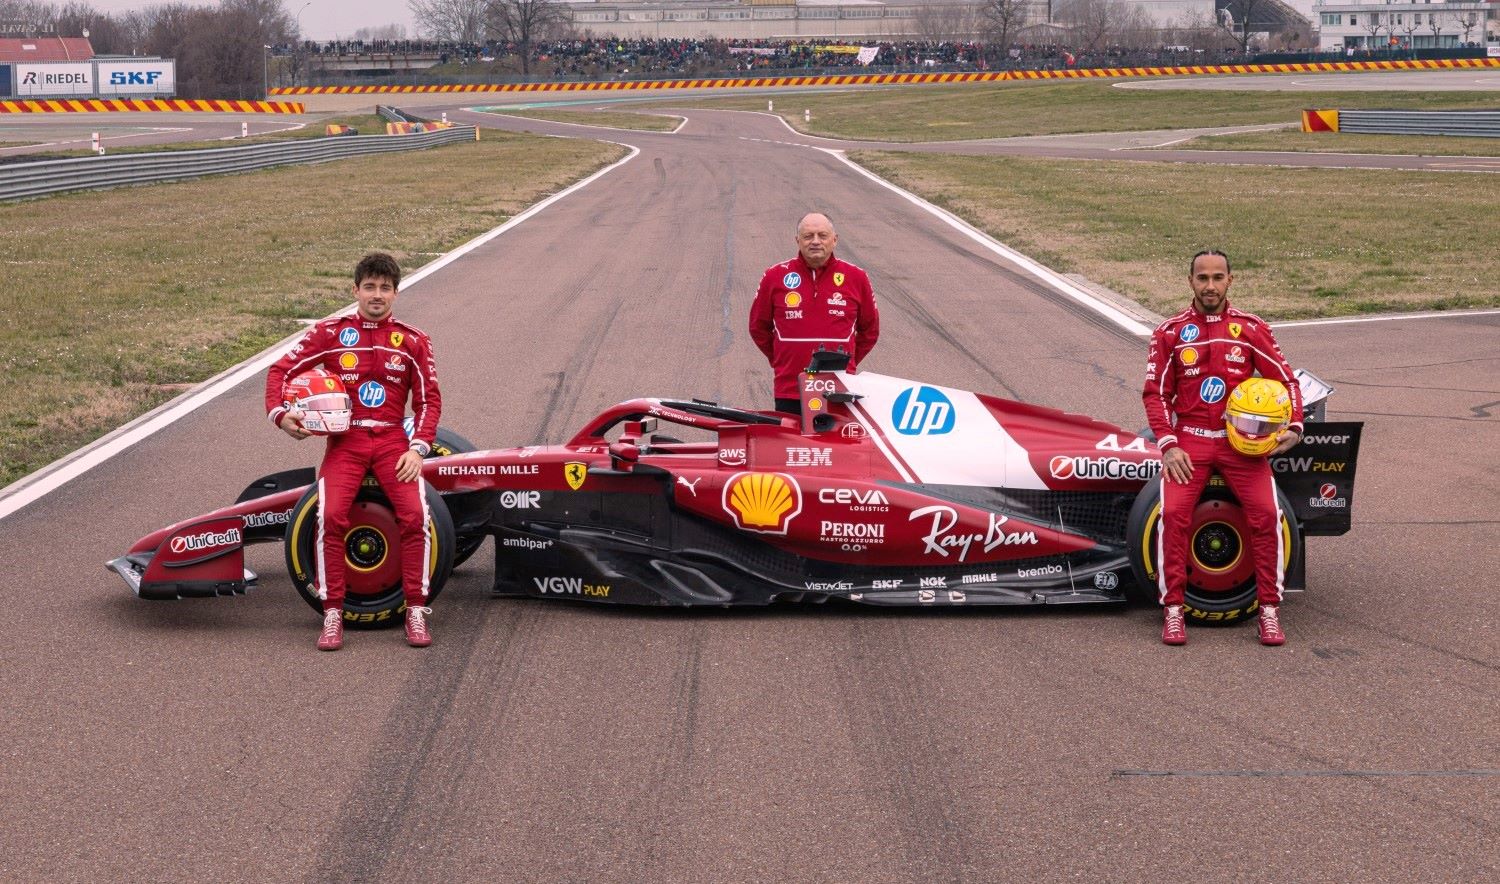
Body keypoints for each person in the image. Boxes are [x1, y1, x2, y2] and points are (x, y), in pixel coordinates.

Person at [266, 253, 442, 651]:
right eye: (369, 287)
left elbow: (429, 403)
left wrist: (418, 448)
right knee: (330, 517)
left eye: (385, 288)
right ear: (355, 290)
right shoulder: (330, 333)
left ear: (396, 293)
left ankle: (416, 609)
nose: (376, 295)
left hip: (395, 444)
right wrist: (281, 416)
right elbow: (279, 371)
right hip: (345, 444)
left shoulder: (414, 340)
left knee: (415, 517)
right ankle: (332, 614)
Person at [1143, 249, 1303, 647]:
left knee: (1267, 516)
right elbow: (1155, 394)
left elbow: (1288, 382)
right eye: (1202, 278)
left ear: (1231, 280)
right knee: (1175, 517)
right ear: (1191, 282)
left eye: (1218, 277)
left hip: (1243, 445)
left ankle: (1268, 610)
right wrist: (1167, 444)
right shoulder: (1170, 331)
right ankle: (1174, 611)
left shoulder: (1250, 328)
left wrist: (1295, 427)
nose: (1210, 285)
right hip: (1190, 441)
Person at [750, 212, 879, 415]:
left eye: (822, 235)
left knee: (839, 447)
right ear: (798, 240)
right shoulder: (774, 276)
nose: (816, 241)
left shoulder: (857, 277)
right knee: (791, 447)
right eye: (808, 236)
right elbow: (758, 327)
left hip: (840, 387)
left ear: (834, 240)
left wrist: (848, 360)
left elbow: (870, 331)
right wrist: (781, 359)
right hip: (790, 388)